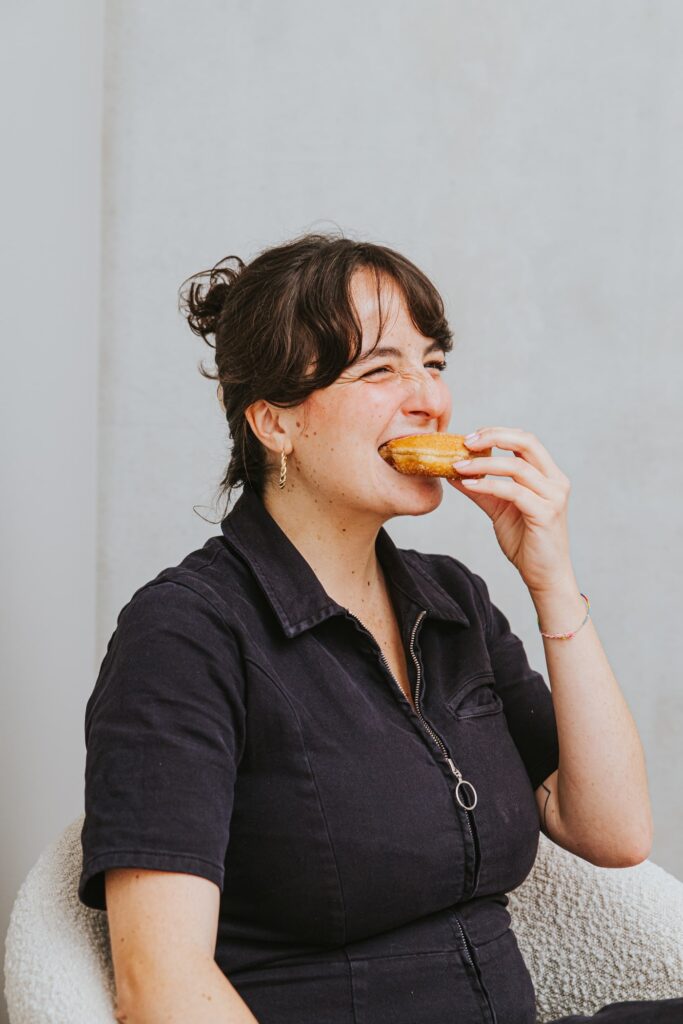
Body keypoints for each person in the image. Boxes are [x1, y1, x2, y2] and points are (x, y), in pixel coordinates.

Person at [78, 233, 683, 1024]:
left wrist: (550, 581)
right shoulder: (185, 635)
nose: (429, 398)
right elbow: (158, 983)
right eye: (380, 369)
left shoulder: (450, 597)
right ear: (274, 423)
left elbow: (612, 832)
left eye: (432, 364)